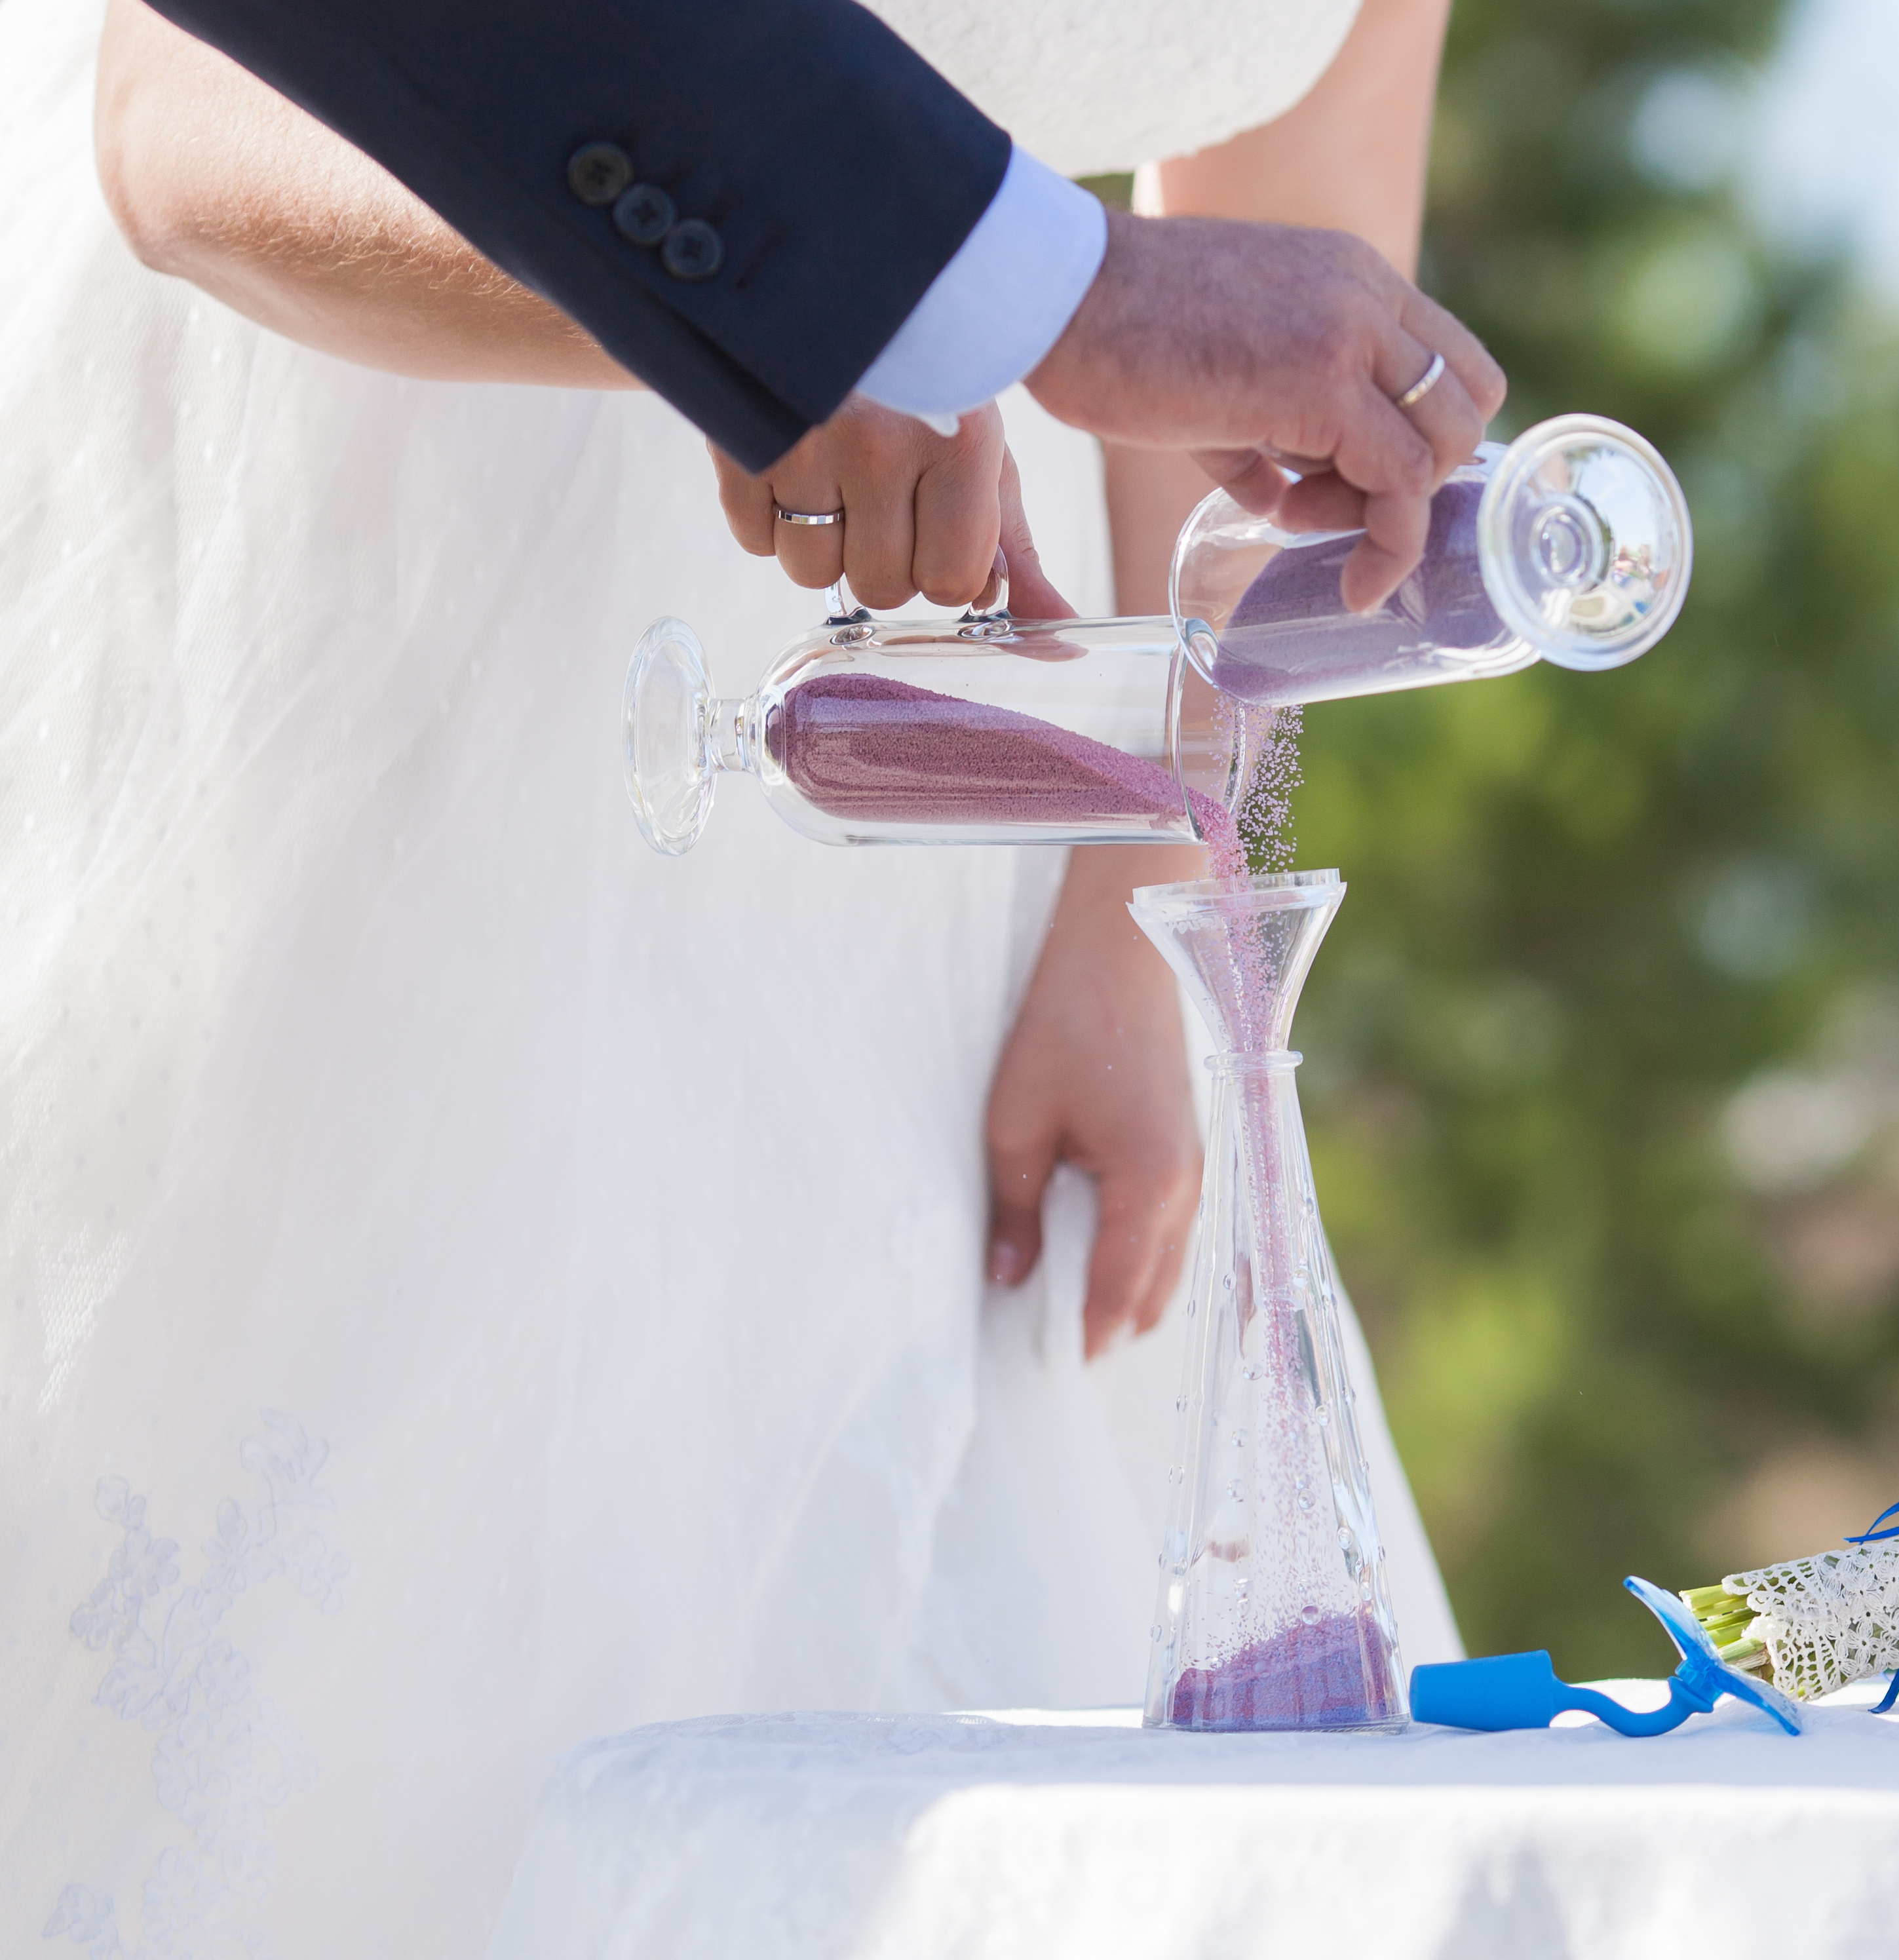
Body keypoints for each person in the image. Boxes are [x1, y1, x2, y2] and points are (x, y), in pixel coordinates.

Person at [0, 0, 1476, 1953]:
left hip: (952, 752)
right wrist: (812, 326)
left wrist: (1139, 885)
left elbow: (1282, 359)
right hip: (400, 649)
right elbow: (177, 121)